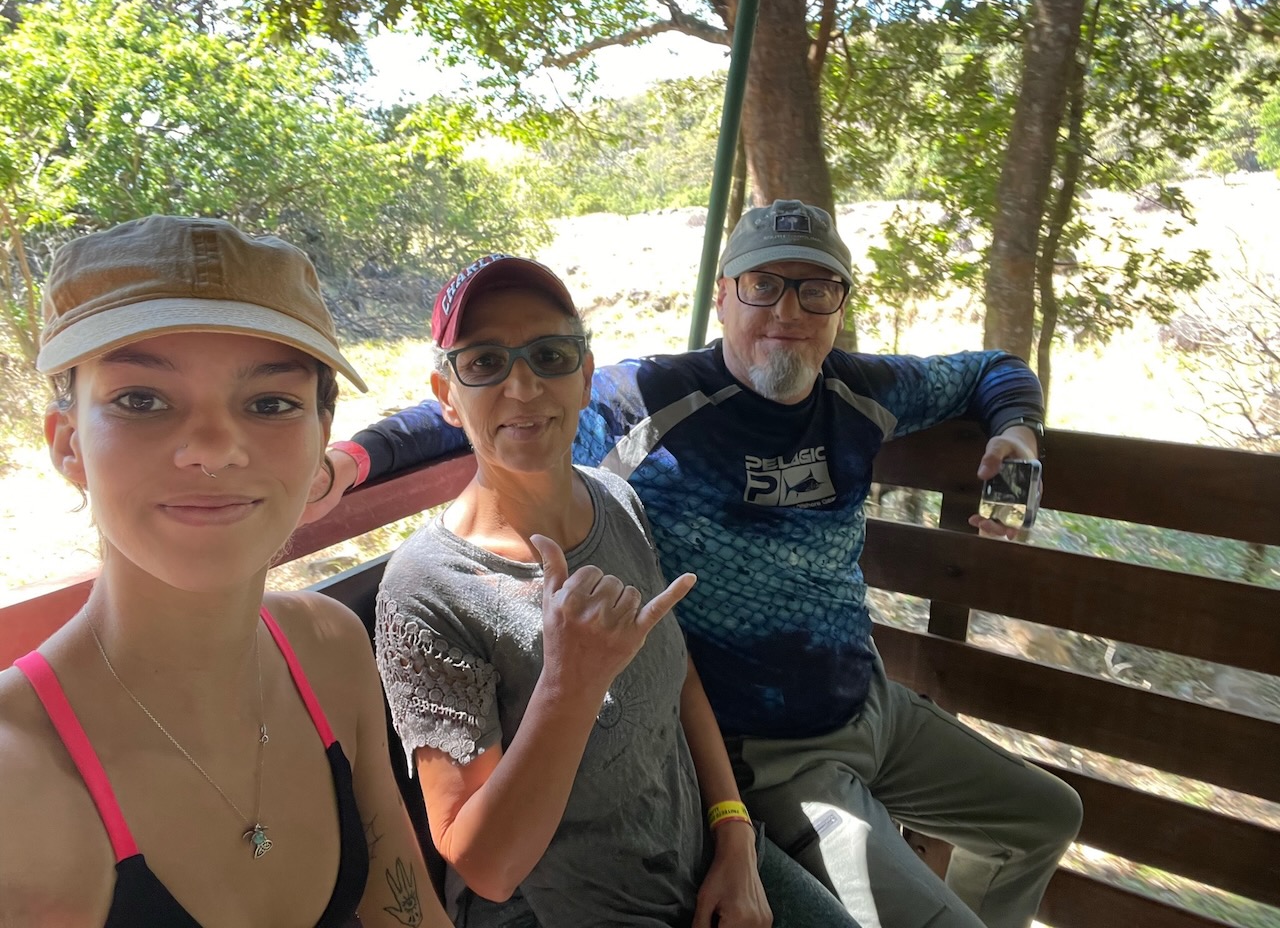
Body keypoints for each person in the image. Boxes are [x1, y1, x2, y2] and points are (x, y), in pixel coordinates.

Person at [309, 201, 1084, 928]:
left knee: (1047, 816)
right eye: (763, 285)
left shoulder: (861, 390)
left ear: (839, 305)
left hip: (865, 705)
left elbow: (994, 369)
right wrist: (351, 460)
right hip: (771, 757)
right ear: (722, 297)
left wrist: (1017, 432)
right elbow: (487, 405)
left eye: (815, 290)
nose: (787, 311)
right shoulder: (647, 398)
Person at [373, 255, 865, 928]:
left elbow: (677, 670)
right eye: (484, 362)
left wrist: (734, 833)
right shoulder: (426, 589)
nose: (523, 386)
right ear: (447, 394)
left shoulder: (615, 498)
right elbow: (483, 865)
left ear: (583, 377)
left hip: (700, 864)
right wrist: (567, 686)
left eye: (549, 356)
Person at [0, 216, 452, 928]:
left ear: (320, 442)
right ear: (67, 444)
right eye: (141, 400)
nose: (213, 448)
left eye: (270, 404)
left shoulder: (330, 651)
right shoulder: (15, 778)